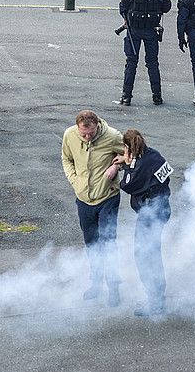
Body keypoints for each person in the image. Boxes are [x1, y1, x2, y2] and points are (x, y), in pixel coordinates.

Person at [61, 110, 124, 307]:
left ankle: (114, 288)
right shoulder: (70, 135)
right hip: (84, 199)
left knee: (108, 243)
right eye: (83, 134)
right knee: (92, 244)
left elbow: (131, 154)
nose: (87, 137)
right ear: (78, 128)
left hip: (108, 198)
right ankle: (96, 284)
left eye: (91, 133)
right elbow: (66, 159)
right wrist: (74, 181)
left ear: (97, 125)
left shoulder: (112, 136)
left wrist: (117, 166)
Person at [115, 129, 173, 318]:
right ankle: (157, 297)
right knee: (152, 254)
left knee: (145, 256)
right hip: (162, 210)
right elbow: (165, 176)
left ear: (127, 148)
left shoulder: (138, 165)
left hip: (149, 216)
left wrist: (128, 165)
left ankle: (155, 301)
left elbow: (128, 184)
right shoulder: (155, 155)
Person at [118, 0, 172, 107]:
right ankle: (157, 96)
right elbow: (166, 8)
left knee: (131, 63)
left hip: (134, 31)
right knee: (153, 63)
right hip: (151, 31)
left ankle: (126, 96)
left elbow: (122, 8)